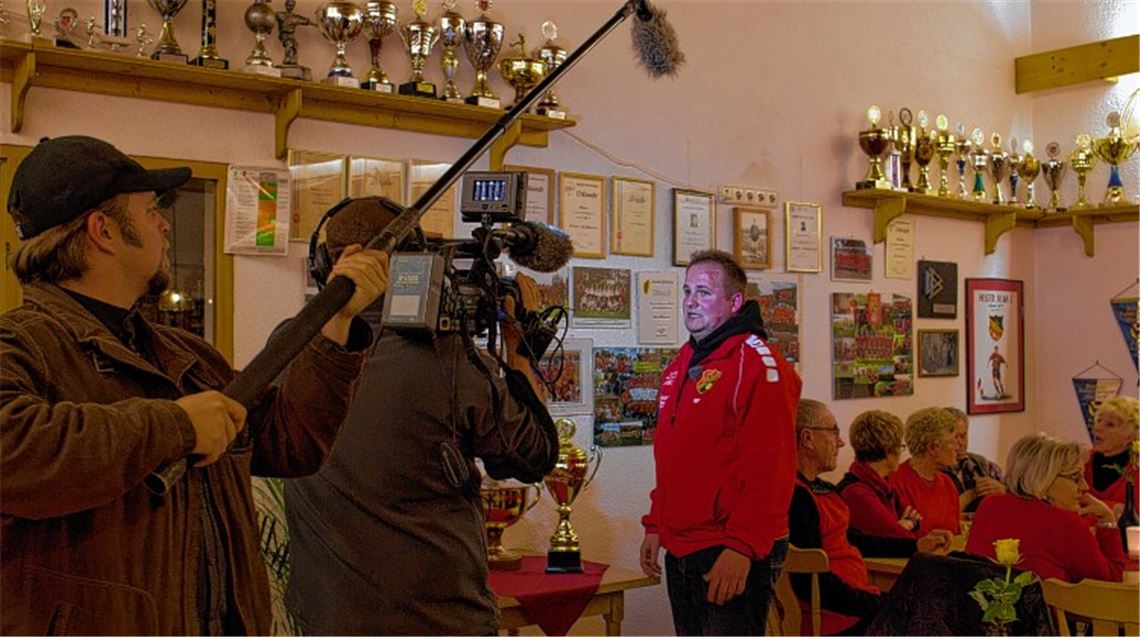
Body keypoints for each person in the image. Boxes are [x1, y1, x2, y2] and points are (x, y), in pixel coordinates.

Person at [0, 135, 389, 635]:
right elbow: (11, 449)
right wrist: (177, 425)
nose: (163, 224)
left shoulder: (185, 355)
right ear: (103, 231)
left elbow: (290, 444)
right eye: (149, 211)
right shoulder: (19, 345)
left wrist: (337, 321)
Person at [283, 197, 559, 635]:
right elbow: (532, 455)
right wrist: (519, 347)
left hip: (322, 618)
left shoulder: (289, 345)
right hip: (437, 622)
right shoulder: (444, 356)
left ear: (323, 264)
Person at [639, 249, 801, 635]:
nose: (691, 302)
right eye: (687, 291)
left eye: (705, 293)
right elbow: (676, 456)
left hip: (731, 546)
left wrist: (743, 546)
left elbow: (772, 466)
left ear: (734, 302)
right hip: (682, 545)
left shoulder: (757, 362)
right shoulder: (685, 359)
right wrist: (656, 522)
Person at [789, 399, 952, 636]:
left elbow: (858, 540)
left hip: (852, 605)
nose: (841, 442)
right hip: (836, 619)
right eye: (834, 432)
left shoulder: (823, 489)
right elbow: (811, 582)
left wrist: (915, 545)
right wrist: (876, 604)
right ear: (807, 438)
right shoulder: (797, 497)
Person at [967, 433, 1126, 583]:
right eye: (1075, 477)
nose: (1084, 486)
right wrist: (1107, 520)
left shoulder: (990, 504)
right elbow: (1109, 584)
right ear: (1044, 479)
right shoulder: (1067, 524)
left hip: (985, 609)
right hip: (1044, 611)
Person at [836, 410, 922, 539]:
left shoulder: (885, 483)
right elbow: (902, 538)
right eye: (900, 446)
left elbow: (916, 518)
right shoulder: (856, 492)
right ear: (888, 451)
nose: (901, 452)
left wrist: (908, 523)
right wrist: (908, 524)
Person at [889, 407, 962, 534]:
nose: (958, 446)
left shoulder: (948, 483)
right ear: (932, 448)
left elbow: (956, 533)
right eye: (953, 441)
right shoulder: (894, 481)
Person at [942, 407, 1005, 513]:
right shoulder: (934, 470)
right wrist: (972, 494)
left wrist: (1002, 490)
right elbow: (941, 514)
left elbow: (1016, 497)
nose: (961, 443)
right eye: (954, 438)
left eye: (963, 436)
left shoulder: (982, 464)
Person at [1082, 395, 1139, 512]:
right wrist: (1114, 508)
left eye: (1110, 424)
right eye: (1098, 420)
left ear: (1129, 436)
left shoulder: (1136, 467)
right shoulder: (1080, 461)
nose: (1097, 428)